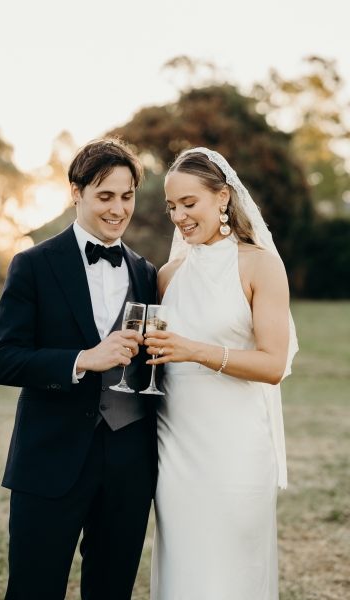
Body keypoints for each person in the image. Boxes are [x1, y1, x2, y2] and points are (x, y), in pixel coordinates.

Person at [0, 138, 158, 600]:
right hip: (50, 459)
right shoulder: (33, 264)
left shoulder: (146, 273)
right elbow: (3, 359)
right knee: (33, 589)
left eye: (127, 196)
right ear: (76, 193)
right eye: (105, 196)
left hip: (128, 465)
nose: (118, 209)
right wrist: (83, 359)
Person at [145, 148, 298, 600]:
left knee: (232, 575)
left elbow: (273, 364)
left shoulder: (260, 265)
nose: (179, 217)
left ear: (223, 197)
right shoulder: (167, 276)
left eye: (189, 203)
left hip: (235, 452)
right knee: (185, 573)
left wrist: (195, 350)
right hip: (176, 450)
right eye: (171, 207)